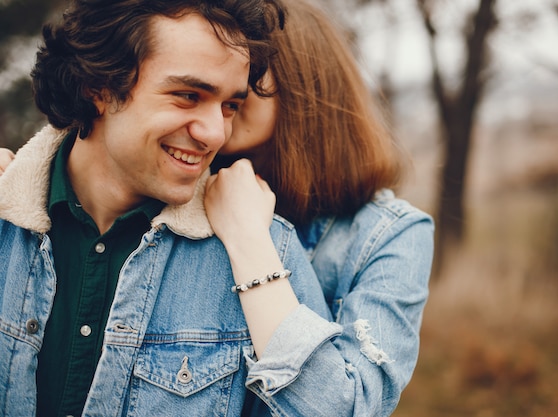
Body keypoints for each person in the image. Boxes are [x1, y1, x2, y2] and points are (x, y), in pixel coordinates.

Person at [0, 1, 345, 416]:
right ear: (98, 89)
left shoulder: (267, 250)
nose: (215, 133)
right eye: (188, 96)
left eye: (230, 106)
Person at [205, 0, 435, 415]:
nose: (226, 82)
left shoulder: (392, 234)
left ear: (303, 81)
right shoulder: (180, 199)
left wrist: (250, 241)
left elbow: (352, 406)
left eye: (250, 65)